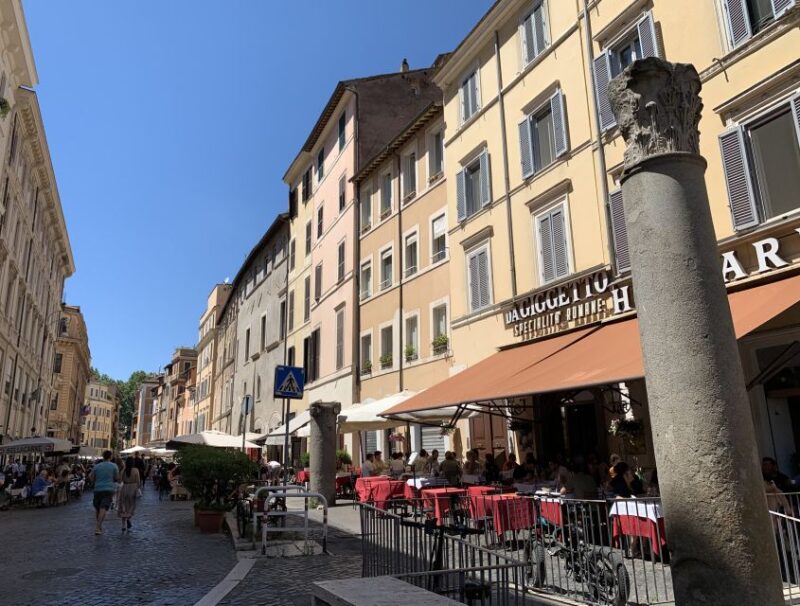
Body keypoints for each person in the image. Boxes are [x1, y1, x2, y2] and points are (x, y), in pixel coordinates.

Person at [90, 450, 119, 535]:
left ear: (103, 456)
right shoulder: (114, 466)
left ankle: (99, 526)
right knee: (103, 508)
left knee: (98, 508)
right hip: (108, 489)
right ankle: (98, 527)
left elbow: (91, 477)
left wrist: (96, 481)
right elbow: (116, 478)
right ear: (110, 456)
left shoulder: (97, 466)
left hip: (97, 489)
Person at [118, 458, 141, 532]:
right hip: (133, 488)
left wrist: (123, 469)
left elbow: (119, 480)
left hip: (125, 488)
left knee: (123, 506)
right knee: (131, 506)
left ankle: (123, 525)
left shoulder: (123, 470)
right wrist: (138, 488)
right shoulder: (136, 470)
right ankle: (128, 518)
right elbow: (138, 481)